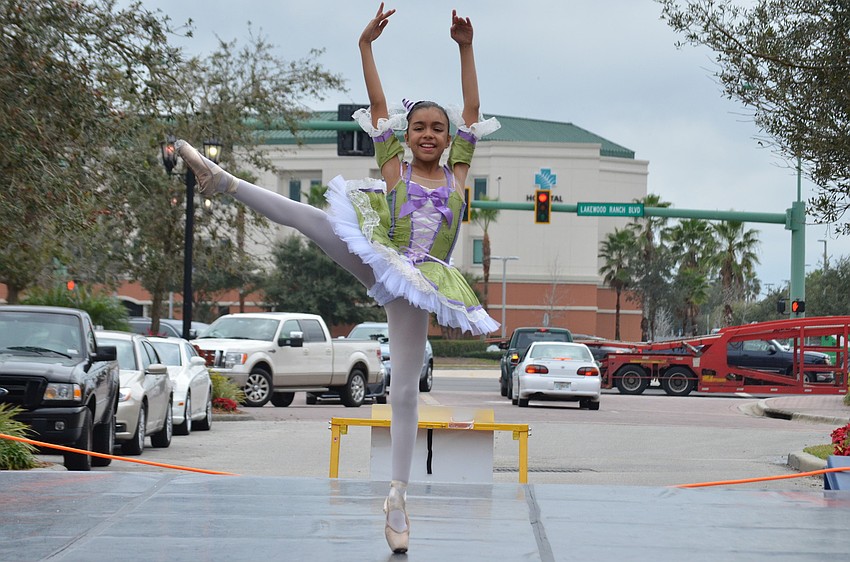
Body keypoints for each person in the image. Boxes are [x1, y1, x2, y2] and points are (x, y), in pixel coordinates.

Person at [175, 4, 499, 553]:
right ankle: (222, 182)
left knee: (404, 387)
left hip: (423, 282)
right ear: (406, 134)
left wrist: (465, 48)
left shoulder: (457, 175)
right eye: (418, 125)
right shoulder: (394, 168)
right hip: (382, 254)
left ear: (447, 140)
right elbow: (377, 103)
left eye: (436, 129)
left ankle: (397, 497)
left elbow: (471, 107)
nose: (427, 133)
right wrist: (366, 46)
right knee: (316, 221)